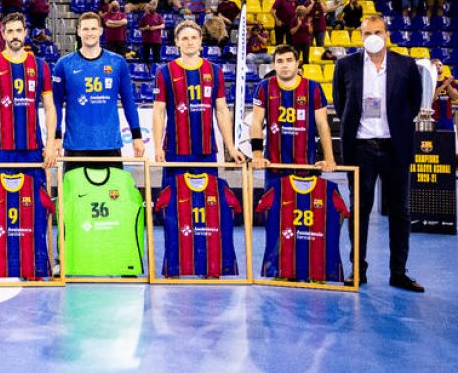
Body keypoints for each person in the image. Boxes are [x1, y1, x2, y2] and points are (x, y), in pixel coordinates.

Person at [332, 15, 424, 291]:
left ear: (387, 34)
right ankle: (357, 270)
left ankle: (398, 272)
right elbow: (341, 103)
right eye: (366, 32)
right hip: (360, 147)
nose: (372, 36)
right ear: (360, 36)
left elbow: (414, 104)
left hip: (394, 146)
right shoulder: (345, 65)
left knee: (400, 211)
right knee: (359, 211)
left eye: (377, 31)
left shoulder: (406, 65)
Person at [152, 22, 244, 178]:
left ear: (201, 41)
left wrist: (231, 148)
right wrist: (157, 148)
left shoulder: (215, 71)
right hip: (175, 150)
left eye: (194, 37)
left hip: (206, 150)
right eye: (185, 38)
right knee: (176, 200)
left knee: (208, 200)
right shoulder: (164, 72)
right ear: (177, 41)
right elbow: (158, 112)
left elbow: (222, 111)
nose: (189, 42)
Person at [52, 13, 145, 165]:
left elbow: (129, 102)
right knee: (77, 190)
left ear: (101, 31)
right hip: (76, 146)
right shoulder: (64, 64)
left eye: (94, 28)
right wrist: (56, 136)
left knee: (113, 190)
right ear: (78, 31)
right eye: (86, 29)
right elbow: (55, 104)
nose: (90, 33)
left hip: (110, 145)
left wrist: (137, 136)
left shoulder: (117, 62)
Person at [0, 13, 58, 170]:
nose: (15, 36)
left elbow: (50, 108)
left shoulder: (40, 66)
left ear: (25, 32)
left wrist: (51, 143)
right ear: (3, 34)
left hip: (32, 148)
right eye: (10, 31)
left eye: (19, 31)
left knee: (32, 194)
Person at [249, 45, 335, 189]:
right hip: (274, 165)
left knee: (303, 208)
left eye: (289, 60)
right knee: (274, 210)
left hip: (306, 165)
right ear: (273, 65)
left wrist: (329, 158)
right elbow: (256, 122)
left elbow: (322, 124)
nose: (284, 65)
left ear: (297, 63)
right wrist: (257, 154)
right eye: (280, 61)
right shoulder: (264, 87)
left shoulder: (313, 88)